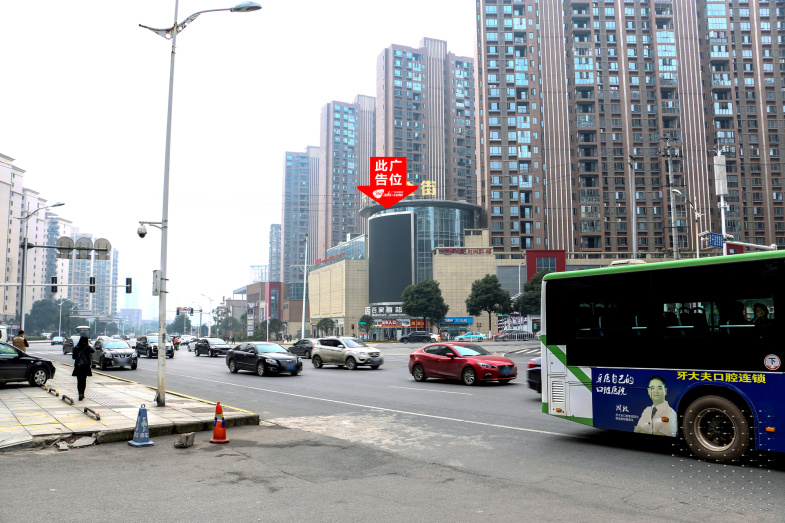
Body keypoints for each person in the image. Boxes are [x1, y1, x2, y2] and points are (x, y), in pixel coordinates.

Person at [72, 336, 94, 401]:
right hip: (85, 366)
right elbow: (93, 351)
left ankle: (79, 393)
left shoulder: (76, 347)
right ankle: (83, 393)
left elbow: (73, 357)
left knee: (79, 381)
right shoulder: (88, 348)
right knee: (84, 380)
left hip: (78, 365)